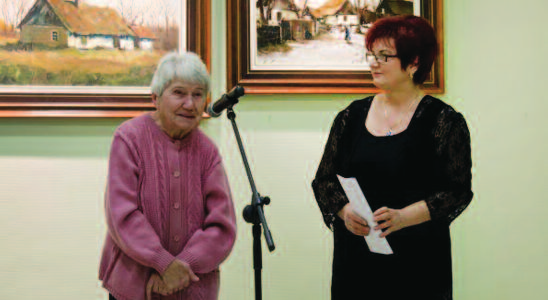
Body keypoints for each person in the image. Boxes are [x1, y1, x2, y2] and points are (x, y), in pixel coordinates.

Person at [312, 15, 473, 300]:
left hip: (419, 263)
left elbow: (457, 191)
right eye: (372, 54)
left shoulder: (444, 121)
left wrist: (403, 217)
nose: (373, 62)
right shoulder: (350, 117)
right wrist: (345, 212)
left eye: (385, 56)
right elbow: (324, 181)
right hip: (357, 263)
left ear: (414, 63)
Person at [99, 52, 237, 300]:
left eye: (198, 94)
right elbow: (122, 214)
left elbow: (222, 226)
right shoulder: (129, 138)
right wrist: (163, 263)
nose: (190, 104)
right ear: (156, 97)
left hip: (194, 288)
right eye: (179, 93)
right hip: (134, 288)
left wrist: (182, 267)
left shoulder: (208, 151)